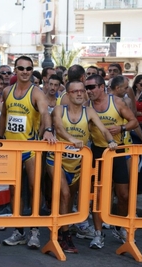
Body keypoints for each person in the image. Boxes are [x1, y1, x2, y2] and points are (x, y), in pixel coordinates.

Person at [47, 80, 118, 253]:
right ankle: (65, 237)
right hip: (57, 160)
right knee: (64, 193)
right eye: (75, 91)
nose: (79, 94)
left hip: (78, 163)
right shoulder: (59, 109)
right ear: (68, 94)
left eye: (82, 91)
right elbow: (58, 126)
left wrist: (110, 141)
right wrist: (70, 139)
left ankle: (61, 227)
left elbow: (104, 129)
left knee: (69, 197)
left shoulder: (89, 111)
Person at [0, 55, 56, 249]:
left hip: (31, 148)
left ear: (32, 71)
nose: (24, 72)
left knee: (34, 189)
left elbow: (45, 113)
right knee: (15, 190)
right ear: (15, 70)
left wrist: (48, 130)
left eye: (28, 69)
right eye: (21, 68)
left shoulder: (36, 93)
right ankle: (19, 230)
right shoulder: (7, 91)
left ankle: (34, 230)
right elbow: (4, 115)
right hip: (13, 149)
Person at [86, 74, 139, 249]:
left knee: (123, 194)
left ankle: (119, 226)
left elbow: (133, 121)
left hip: (117, 150)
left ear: (102, 87)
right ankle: (98, 233)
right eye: (87, 88)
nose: (89, 91)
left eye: (92, 87)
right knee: (98, 195)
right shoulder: (87, 106)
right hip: (98, 151)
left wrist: (121, 127)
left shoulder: (116, 102)